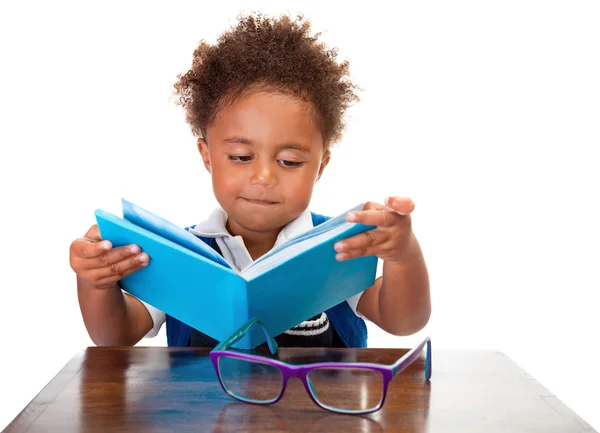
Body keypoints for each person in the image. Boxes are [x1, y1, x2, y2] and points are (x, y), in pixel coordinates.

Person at [69, 12, 431, 348]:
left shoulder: (338, 248)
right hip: (201, 417)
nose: (263, 176)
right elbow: (115, 338)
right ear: (207, 155)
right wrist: (94, 282)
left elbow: (403, 320)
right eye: (241, 157)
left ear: (320, 166)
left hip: (322, 416)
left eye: (289, 161)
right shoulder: (178, 254)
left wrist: (404, 255)